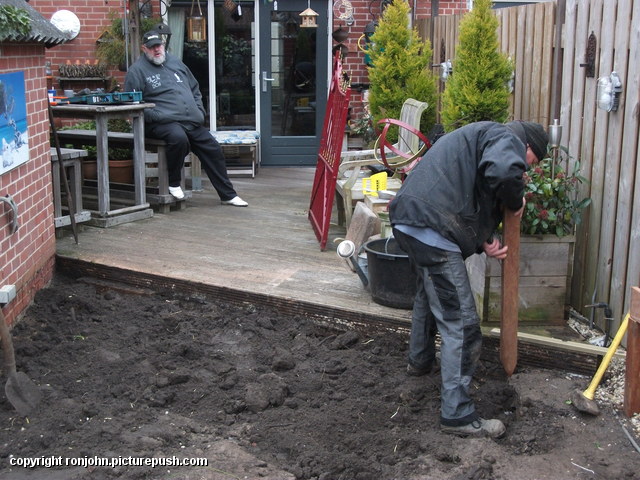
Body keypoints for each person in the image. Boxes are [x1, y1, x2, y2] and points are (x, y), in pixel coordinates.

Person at [389, 120, 549, 439]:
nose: (528, 170)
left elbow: (470, 193)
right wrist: (516, 201)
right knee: (461, 324)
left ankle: (419, 362)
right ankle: (457, 414)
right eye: (533, 162)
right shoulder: (507, 138)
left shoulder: (483, 136)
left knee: (428, 294)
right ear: (529, 147)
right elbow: (503, 174)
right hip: (432, 229)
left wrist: (484, 240)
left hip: (411, 220)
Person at [124, 31, 247, 207]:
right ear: (144, 48)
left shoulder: (175, 62)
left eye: (158, 45)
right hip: (161, 123)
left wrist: (199, 110)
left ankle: (228, 195)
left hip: (189, 120)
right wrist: (157, 116)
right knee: (178, 138)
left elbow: (195, 88)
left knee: (213, 148)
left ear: (163, 44)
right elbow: (133, 103)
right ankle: (174, 183)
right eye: (152, 47)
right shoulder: (137, 71)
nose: (156, 49)